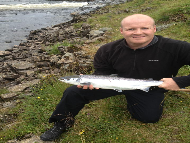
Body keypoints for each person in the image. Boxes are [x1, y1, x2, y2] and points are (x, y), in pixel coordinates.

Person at [40, 14, 190, 141]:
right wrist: (94, 82)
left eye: (144, 28)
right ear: (121, 31)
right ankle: (60, 123)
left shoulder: (177, 48)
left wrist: (179, 82)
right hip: (113, 84)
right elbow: (102, 73)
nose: (138, 32)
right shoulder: (107, 50)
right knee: (73, 92)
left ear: (154, 29)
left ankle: (134, 100)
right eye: (131, 29)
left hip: (151, 86)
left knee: (149, 117)